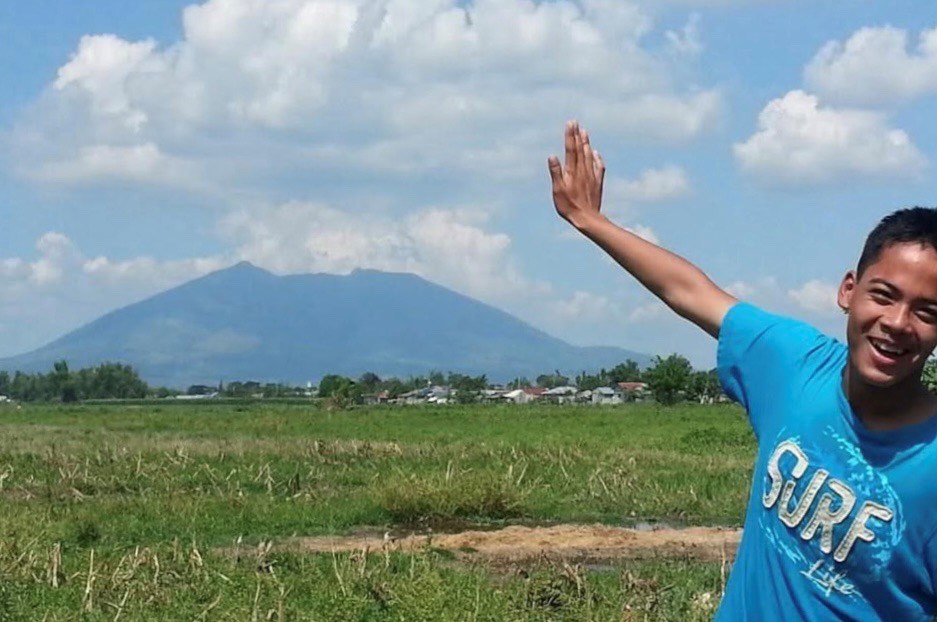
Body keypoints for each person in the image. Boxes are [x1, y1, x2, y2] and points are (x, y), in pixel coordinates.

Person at [548, 120, 937, 621]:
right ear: (848, 291)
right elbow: (690, 291)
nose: (897, 323)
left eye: (927, 311)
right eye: (883, 296)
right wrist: (591, 221)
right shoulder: (794, 363)